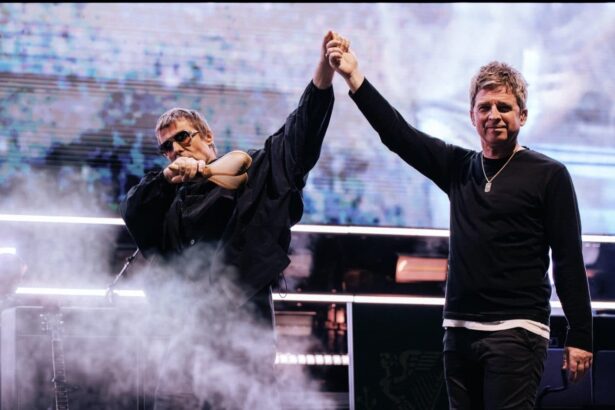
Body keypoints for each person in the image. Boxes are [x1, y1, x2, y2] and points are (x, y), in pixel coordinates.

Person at [325, 35, 593, 409]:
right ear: (472, 116)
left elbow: (568, 259)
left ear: (522, 115)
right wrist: (354, 77)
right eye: (485, 107)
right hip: (459, 331)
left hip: (517, 332)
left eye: (504, 107)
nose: (493, 115)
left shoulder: (549, 175)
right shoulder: (459, 167)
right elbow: (399, 134)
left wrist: (580, 335)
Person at [120, 31, 337, 410]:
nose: (175, 149)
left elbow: (297, 139)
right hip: (180, 346)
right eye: (166, 147)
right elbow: (132, 212)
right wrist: (168, 178)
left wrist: (323, 73)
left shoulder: (252, 173)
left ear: (206, 135)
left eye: (182, 138)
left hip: (241, 340)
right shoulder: (164, 196)